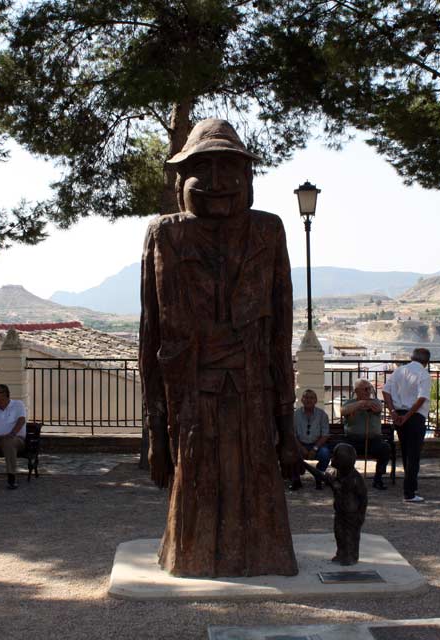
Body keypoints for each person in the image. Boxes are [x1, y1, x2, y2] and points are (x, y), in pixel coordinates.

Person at [139, 118, 300, 578]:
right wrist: (154, 432)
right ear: (179, 181)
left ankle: (264, 558)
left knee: (256, 485)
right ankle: (191, 556)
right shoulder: (164, 235)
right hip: (190, 398)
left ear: (248, 177)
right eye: (202, 170)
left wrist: (286, 429)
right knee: (196, 489)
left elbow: (280, 336)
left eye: (230, 168)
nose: (217, 183)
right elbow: (151, 339)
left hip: (253, 394)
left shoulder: (268, 232)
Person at [305, 442, 367, 566]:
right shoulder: (334, 472)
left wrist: (361, 514)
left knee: (351, 535)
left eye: (335, 457)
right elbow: (322, 476)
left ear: (344, 461)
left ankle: (351, 555)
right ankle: (341, 553)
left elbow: (363, 498)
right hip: (339, 511)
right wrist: (305, 465)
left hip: (352, 514)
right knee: (339, 533)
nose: (332, 459)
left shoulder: (355, 479)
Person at [384, 348, 432, 503]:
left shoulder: (399, 371)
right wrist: (408, 416)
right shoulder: (423, 375)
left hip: (398, 414)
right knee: (413, 455)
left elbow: (386, 392)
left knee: (405, 452)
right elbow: (422, 398)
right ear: (427, 361)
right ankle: (409, 492)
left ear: (412, 357)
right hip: (414, 416)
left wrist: (393, 412)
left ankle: (411, 485)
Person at [341, 378, 391, 490]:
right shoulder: (349, 403)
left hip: (373, 440)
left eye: (370, 389)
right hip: (353, 440)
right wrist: (360, 404)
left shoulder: (376, 401)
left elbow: (377, 408)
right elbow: (343, 411)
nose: (369, 391)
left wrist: (364, 405)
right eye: (366, 389)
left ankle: (378, 479)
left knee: (385, 448)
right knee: (343, 451)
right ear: (357, 391)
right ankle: (348, 479)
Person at [291, 388, 331, 491]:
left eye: (311, 398)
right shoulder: (295, 415)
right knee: (291, 454)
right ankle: (296, 480)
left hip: (317, 444)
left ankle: (319, 476)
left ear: (316, 400)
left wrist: (315, 448)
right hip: (300, 444)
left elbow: (325, 435)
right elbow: (293, 435)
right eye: (306, 397)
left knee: (325, 454)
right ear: (302, 400)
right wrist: (301, 447)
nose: (308, 400)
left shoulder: (322, 415)